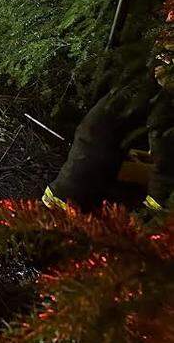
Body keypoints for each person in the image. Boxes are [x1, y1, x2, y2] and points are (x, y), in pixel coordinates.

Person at [44, 33, 174, 216]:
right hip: (79, 188)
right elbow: (164, 141)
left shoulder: (142, 81)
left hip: (80, 185)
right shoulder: (150, 84)